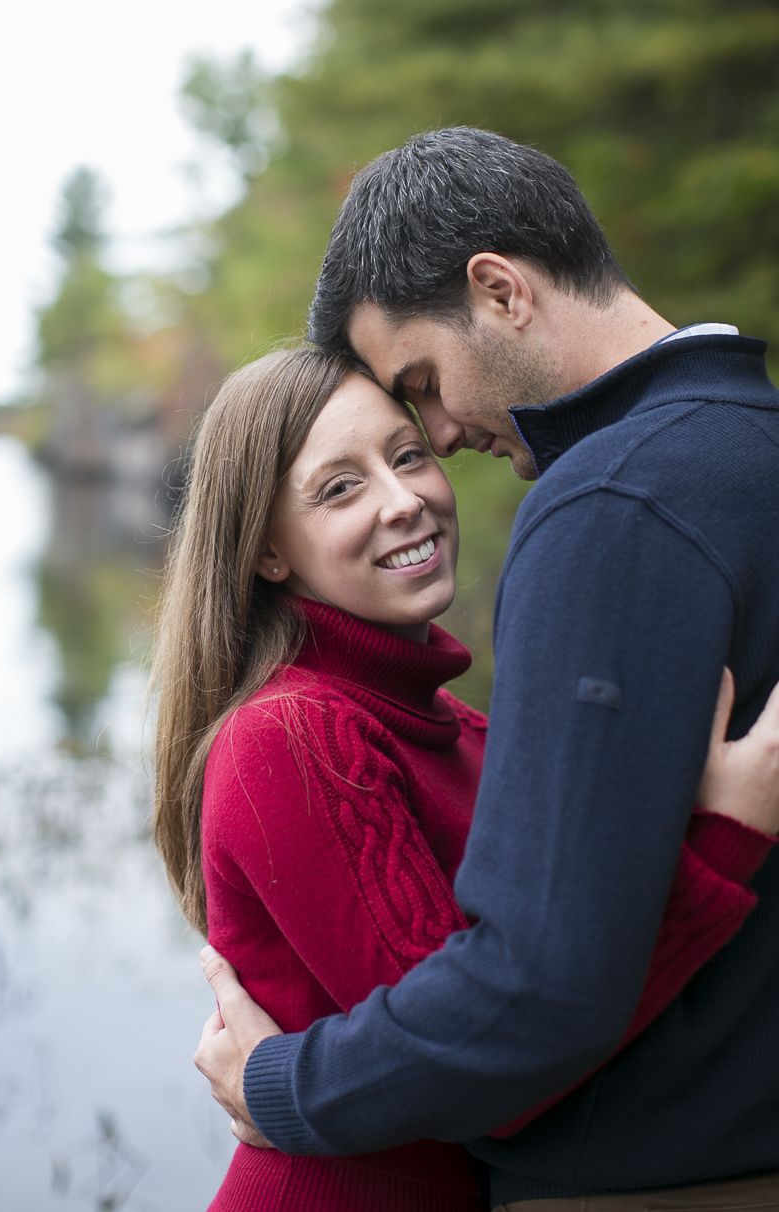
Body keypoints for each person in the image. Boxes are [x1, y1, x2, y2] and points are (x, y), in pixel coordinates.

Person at [193, 128, 779, 1210]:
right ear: (264, 548)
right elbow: (511, 1013)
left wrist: (281, 1084)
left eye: (416, 408)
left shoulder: (606, 510)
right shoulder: (751, 447)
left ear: (501, 291)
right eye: (338, 485)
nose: (442, 440)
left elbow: (527, 1001)